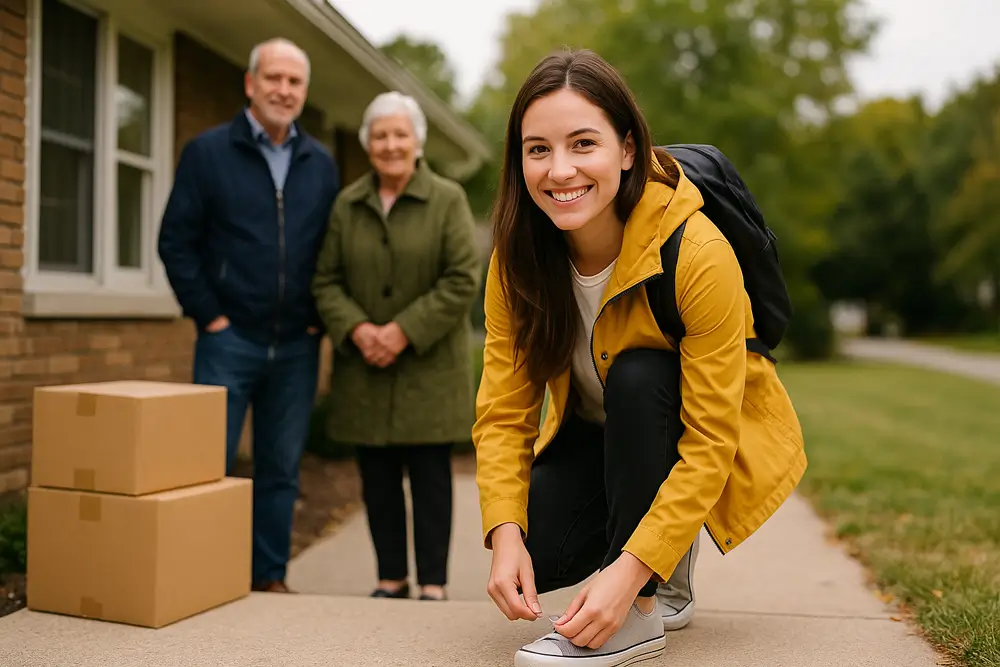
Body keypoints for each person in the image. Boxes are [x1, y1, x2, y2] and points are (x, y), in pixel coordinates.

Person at [472, 49, 807, 667]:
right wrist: (504, 533)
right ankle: (641, 552)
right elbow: (502, 411)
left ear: (627, 150)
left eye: (583, 143)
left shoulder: (698, 252)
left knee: (638, 373)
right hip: (595, 432)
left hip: (670, 424)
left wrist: (629, 579)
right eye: (538, 149)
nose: (560, 169)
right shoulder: (516, 260)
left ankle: (649, 599)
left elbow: (710, 441)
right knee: (537, 548)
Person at [157, 37, 340, 594]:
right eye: (274, 78)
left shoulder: (321, 165)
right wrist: (209, 317)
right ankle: (202, 577)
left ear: (304, 92)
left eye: (295, 82)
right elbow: (176, 242)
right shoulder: (208, 153)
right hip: (228, 340)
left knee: (281, 471)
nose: (284, 90)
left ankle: (268, 578)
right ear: (251, 84)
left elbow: (332, 251)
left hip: (296, 346)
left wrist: (317, 320)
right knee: (206, 468)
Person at [311, 91, 482, 602]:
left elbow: (461, 278)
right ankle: (390, 577)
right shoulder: (348, 204)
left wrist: (403, 330)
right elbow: (325, 280)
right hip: (366, 367)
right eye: (380, 135)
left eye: (399, 134)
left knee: (430, 481)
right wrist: (360, 330)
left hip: (428, 366)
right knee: (378, 479)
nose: (390, 144)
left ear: (417, 142)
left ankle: (433, 582)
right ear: (367, 144)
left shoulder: (448, 199)